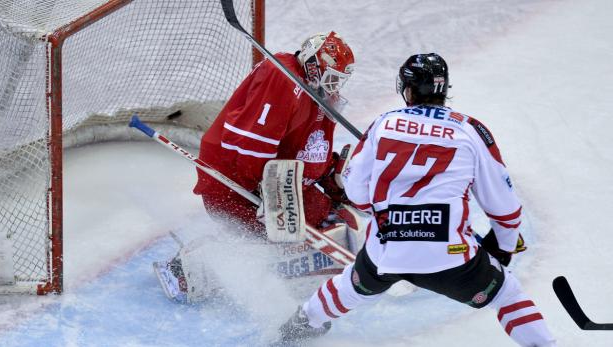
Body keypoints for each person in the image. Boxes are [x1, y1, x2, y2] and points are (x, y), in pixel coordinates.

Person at [278, 53, 557, 347]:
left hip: (387, 252)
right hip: (450, 256)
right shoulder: (471, 130)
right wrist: (504, 248)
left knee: (351, 286)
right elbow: (505, 208)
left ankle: (301, 325)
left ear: (408, 89)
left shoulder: (383, 124)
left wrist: (380, 212)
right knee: (507, 295)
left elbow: (356, 192)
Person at [153, 32, 363, 304]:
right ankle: (187, 268)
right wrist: (269, 195)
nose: (334, 87)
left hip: (273, 181)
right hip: (235, 185)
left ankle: (272, 250)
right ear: (314, 64)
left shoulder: (312, 91)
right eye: (332, 77)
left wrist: (330, 172)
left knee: (333, 219)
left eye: (339, 80)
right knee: (287, 240)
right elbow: (252, 150)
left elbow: (303, 149)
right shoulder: (283, 78)